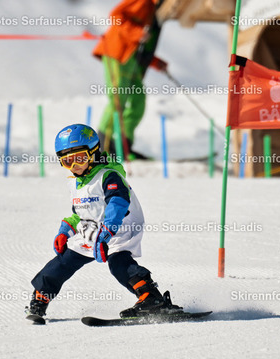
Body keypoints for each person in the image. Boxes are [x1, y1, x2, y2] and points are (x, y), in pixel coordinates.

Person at [26, 124, 182, 319]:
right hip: (92, 232)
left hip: (118, 230)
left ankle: (151, 298)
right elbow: (80, 213)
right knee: (62, 263)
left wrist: (106, 232)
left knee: (118, 263)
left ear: (93, 153)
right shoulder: (74, 182)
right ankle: (40, 299)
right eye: (67, 161)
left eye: (80, 158)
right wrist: (65, 230)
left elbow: (118, 203)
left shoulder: (108, 176)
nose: (75, 166)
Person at [93, 0, 168, 160]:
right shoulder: (143, 2)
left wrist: (155, 62)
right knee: (117, 100)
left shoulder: (154, 9)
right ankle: (102, 145)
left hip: (131, 61)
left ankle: (122, 146)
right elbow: (116, 16)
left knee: (138, 101)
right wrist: (138, 33)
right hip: (116, 54)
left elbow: (139, 45)